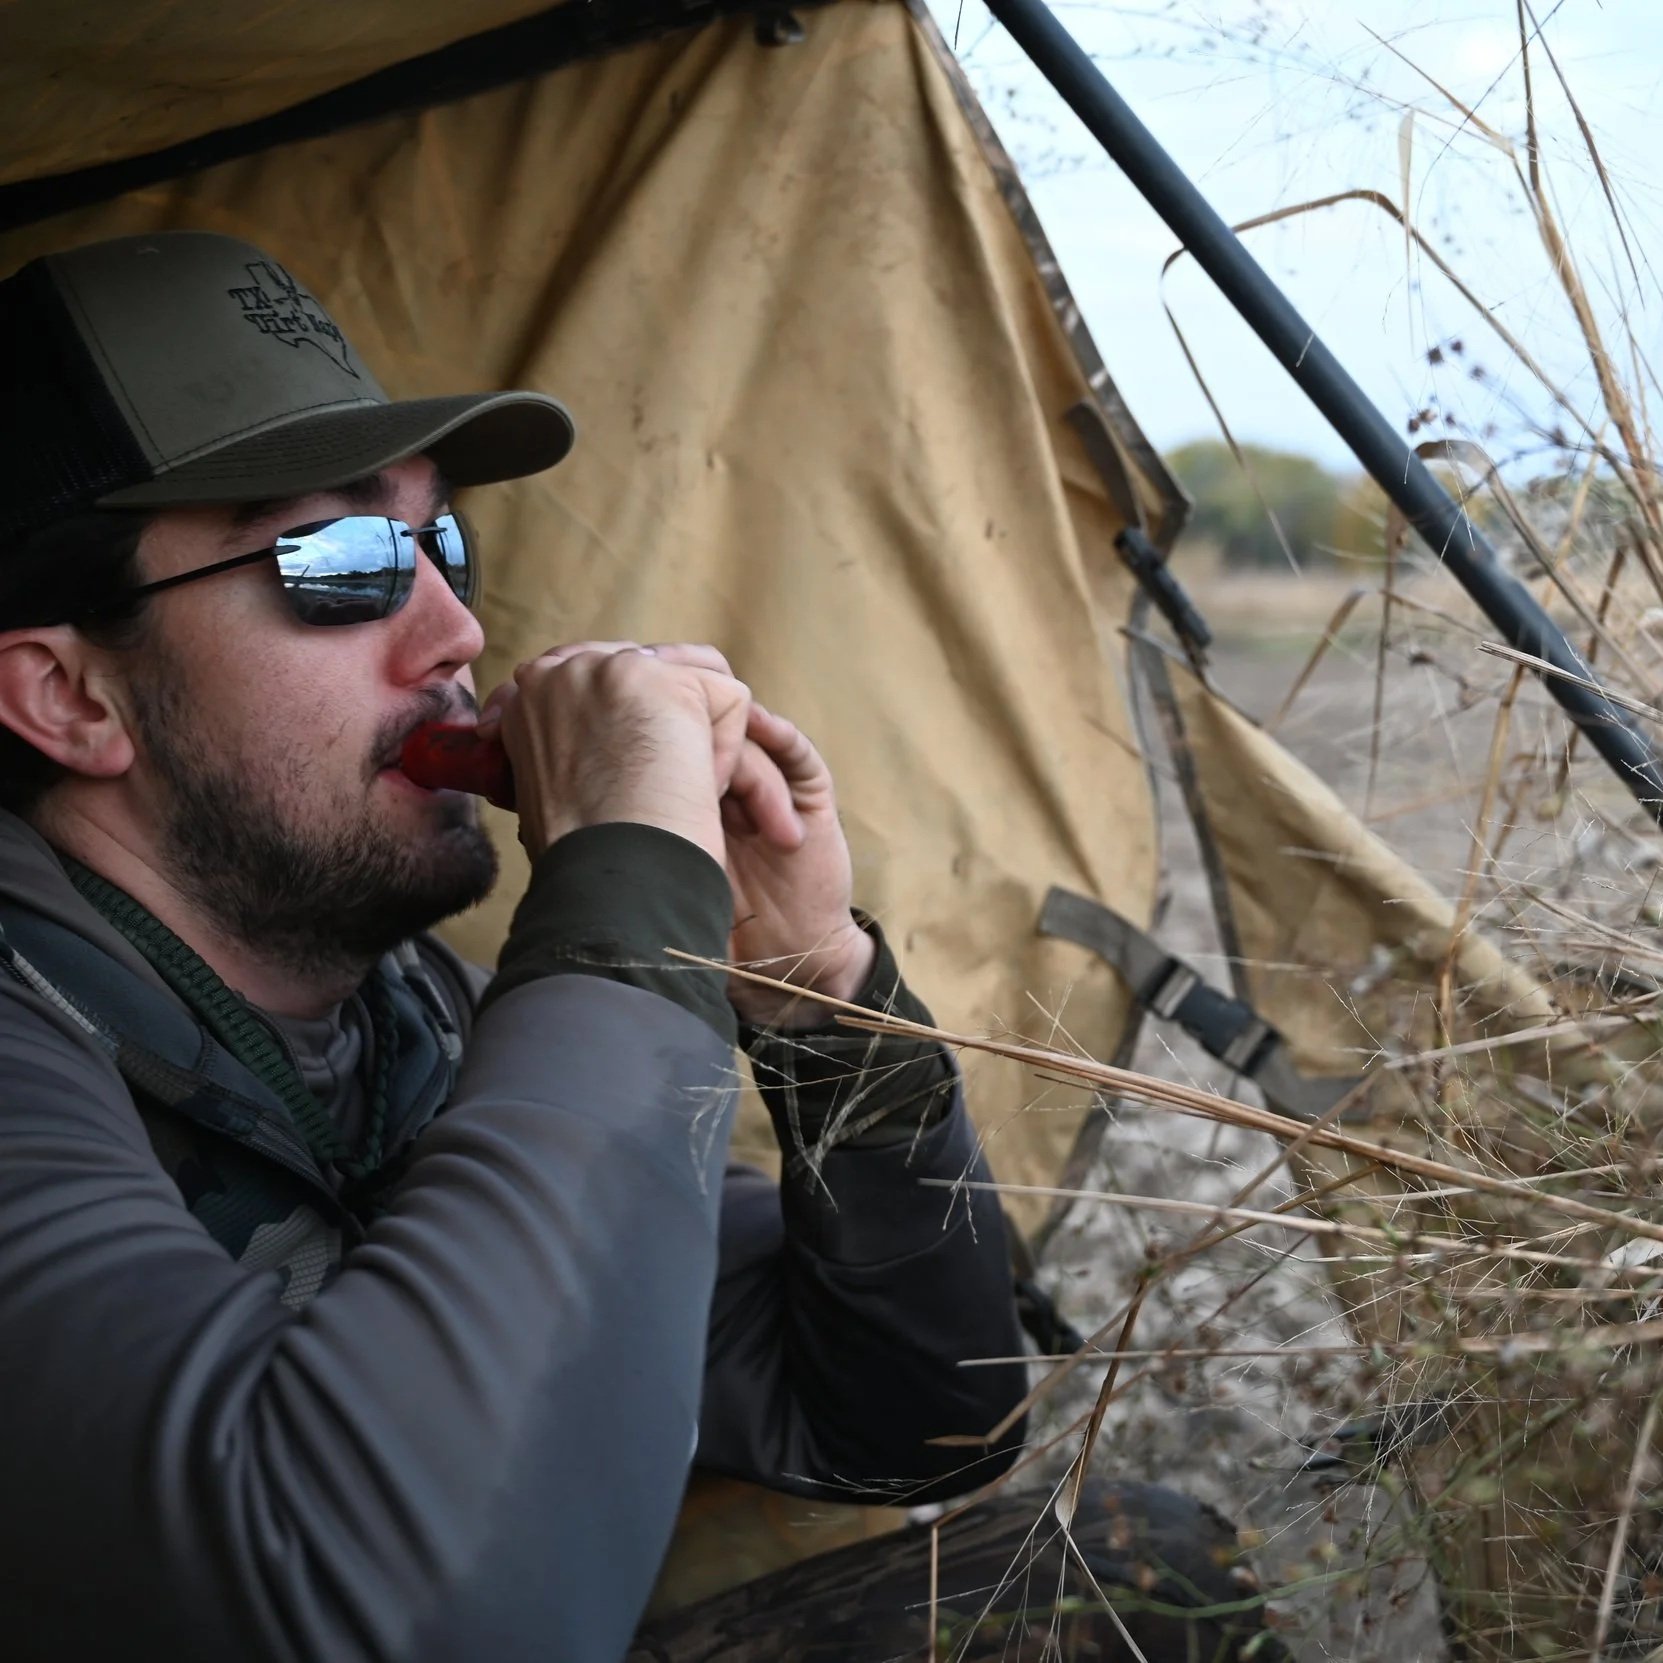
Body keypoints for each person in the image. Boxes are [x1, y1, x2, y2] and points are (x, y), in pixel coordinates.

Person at [0, 231, 1031, 1662]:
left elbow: (922, 1417)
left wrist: (812, 989)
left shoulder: (418, 1015)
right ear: (69, 698)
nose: (457, 628)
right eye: (345, 557)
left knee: (1121, 1574)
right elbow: (387, 1609)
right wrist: (622, 899)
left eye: (443, 542)